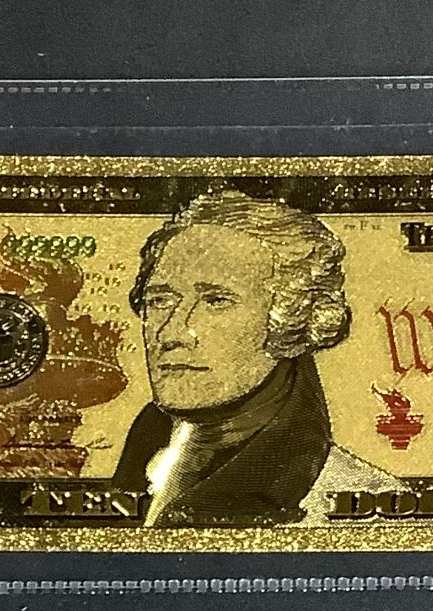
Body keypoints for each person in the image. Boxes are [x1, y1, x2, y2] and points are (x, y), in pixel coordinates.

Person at [113, 188, 395, 526]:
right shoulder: (147, 452)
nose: (171, 332)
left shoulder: (370, 513)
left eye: (216, 301)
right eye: (160, 301)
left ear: (292, 319)